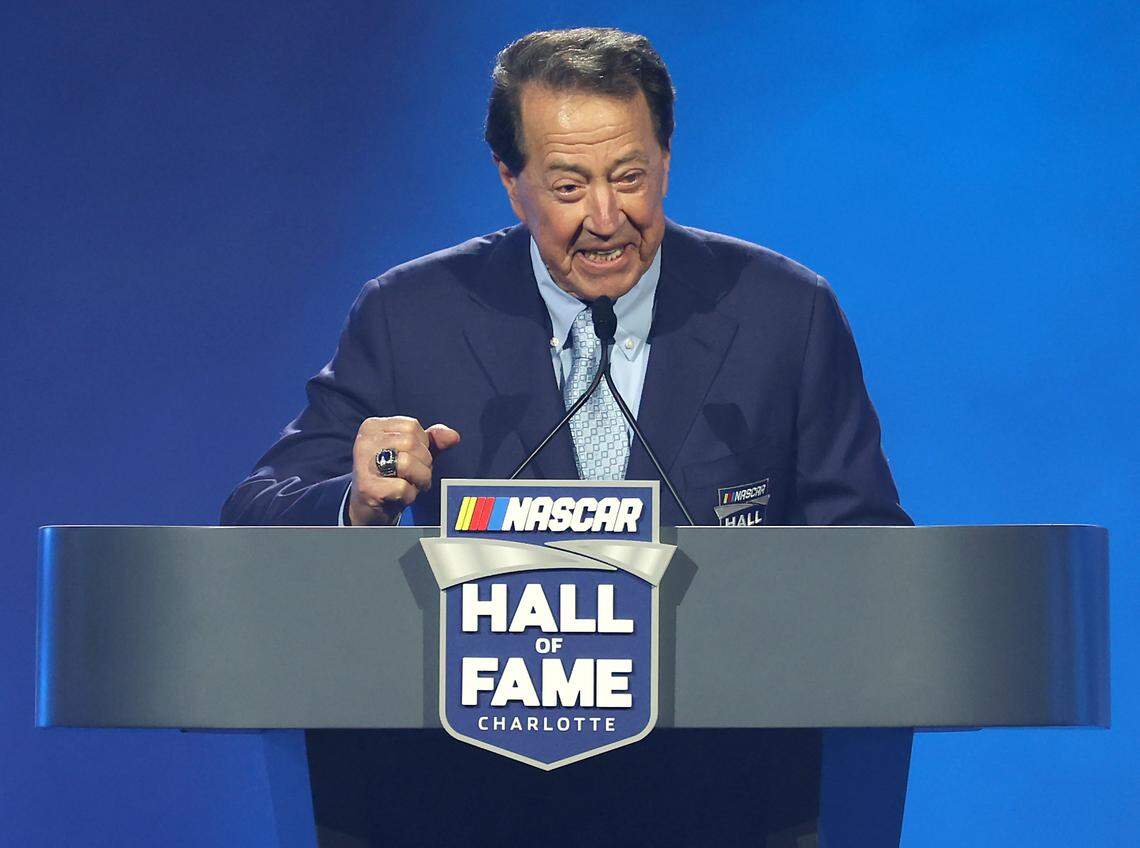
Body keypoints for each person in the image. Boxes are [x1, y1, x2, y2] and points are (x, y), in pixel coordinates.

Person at [221, 27, 909, 529]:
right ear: (510, 181)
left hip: (721, 720)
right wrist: (358, 498)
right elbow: (258, 508)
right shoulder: (411, 318)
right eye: (570, 186)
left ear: (667, 160)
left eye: (630, 177)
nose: (607, 218)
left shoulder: (785, 315)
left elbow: (867, 551)